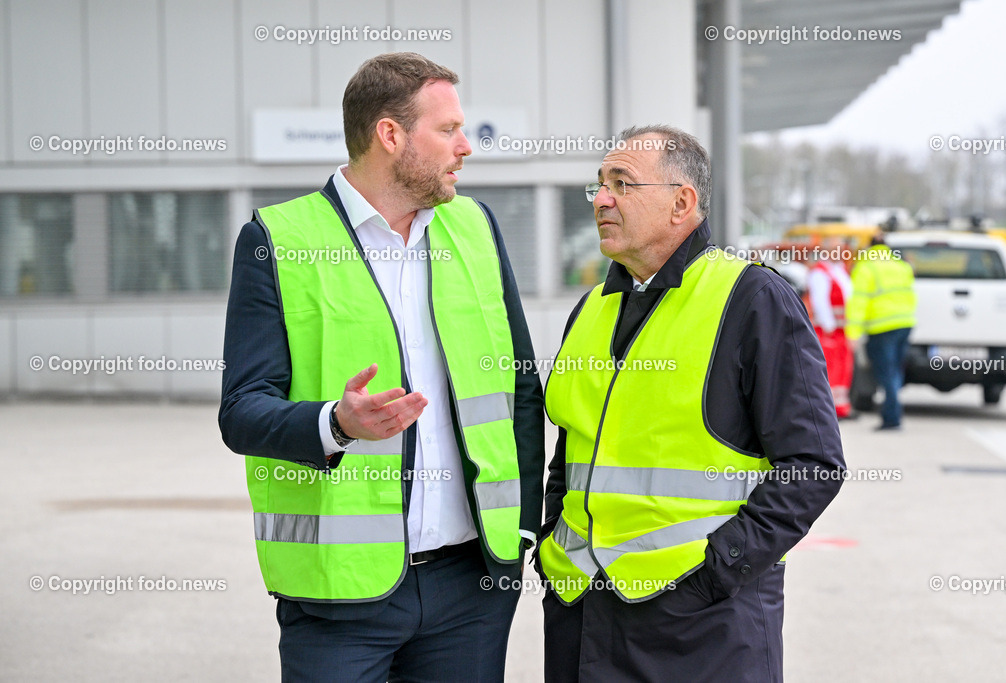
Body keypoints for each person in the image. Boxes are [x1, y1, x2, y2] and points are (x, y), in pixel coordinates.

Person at [218, 52, 545, 682]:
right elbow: (242, 411)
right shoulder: (276, 239)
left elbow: (519, 386)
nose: (465, 146)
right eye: (448, 129)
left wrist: (522, 532)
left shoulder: (475, 227)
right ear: (390, 135)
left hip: (472, 586)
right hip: (338, 597)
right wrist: (335, 423)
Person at [536, 125, 846, 682]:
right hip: (581, 612)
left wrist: (713, 573)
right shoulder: (590, 310)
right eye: (599, 185)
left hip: (700, 628)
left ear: (682, 203)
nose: (601, 199)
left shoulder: (752, 300)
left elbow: (813, 465)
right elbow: (573, 449)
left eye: (622, 184)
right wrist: (550, 542)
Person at [845, 233, 917, 430]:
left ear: (870, 247)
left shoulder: (866, 267)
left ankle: (892, 418)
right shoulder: (901, 265)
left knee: (885, 373)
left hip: (881, 327)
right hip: (905, 324)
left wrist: (853, 332)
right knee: (894, 370)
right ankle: (892, 412)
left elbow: (859, 301)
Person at [805, 245, 855, 418]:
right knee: (831, 369)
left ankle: (840, 406)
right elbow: (820, 302)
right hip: (829, 331)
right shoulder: (820, 273)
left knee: (842, 368)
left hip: (841, 330)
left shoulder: (838, 270)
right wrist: (828, 326)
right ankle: (828, 409)